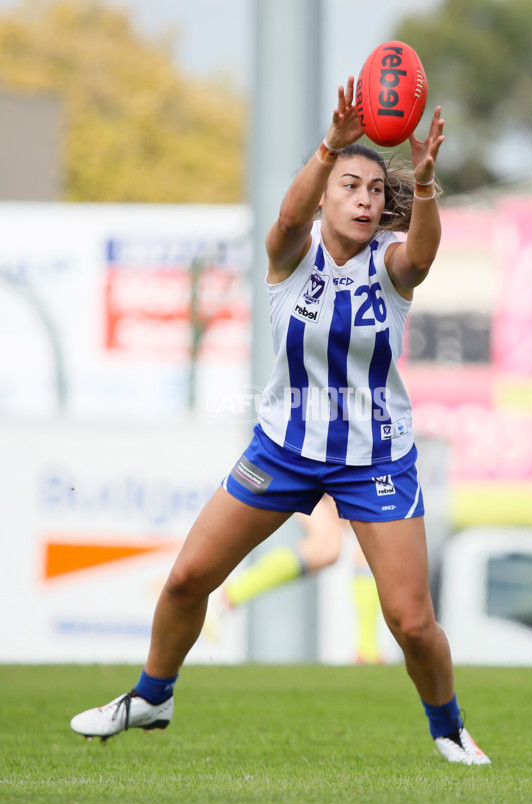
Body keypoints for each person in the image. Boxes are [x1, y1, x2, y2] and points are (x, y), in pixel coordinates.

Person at [70, 77, 490, 765]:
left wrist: (424, 183)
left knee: (412, 623)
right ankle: (153, 693)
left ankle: (447, 724)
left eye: (375, 192)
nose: (364, 199)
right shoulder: (290, 257)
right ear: (323, 191)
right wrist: (332, 144)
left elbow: (422, 252)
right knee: (185, 578)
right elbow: (289, 220)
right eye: (350, 186)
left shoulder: (389, 269)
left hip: (376, 456)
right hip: (285, 449)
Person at [211, 493, 384, 664]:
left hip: (342, 469)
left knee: (353, 542)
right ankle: (228, 594)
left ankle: (367, 651)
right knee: (332, 544)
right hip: (317, 470)